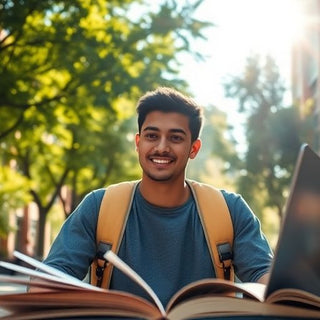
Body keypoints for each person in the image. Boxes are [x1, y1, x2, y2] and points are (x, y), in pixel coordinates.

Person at [42, 87, 273, 307]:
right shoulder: (99, 206)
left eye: (175, 138)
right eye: (152, 136)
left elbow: (265, 278)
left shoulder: (230, 210)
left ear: (194, 148)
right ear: (138, 142)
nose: (161, 147)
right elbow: (50, 280)